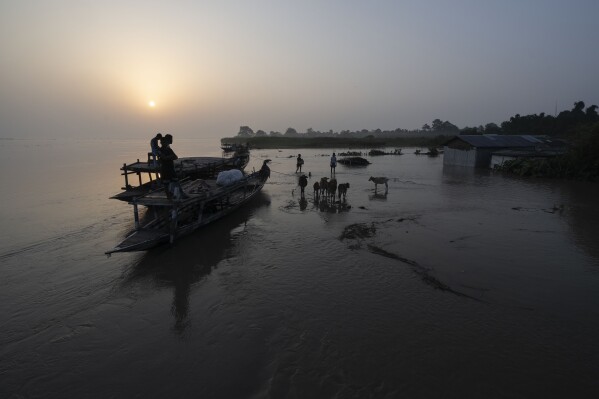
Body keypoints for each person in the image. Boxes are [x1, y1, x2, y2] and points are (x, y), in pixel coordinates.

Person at [159, 134, 186, 199]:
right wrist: (169, 157)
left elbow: (175, 157)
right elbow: (165, 158)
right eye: (171, 139)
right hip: (165, 168)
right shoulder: (161, 150)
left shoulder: (168, 149)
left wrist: (168, 157)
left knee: (174, 181)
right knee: (166, 183)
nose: (172, 141)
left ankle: (179, 194)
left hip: (170, 167)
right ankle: (169, 196)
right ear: (166, 141)